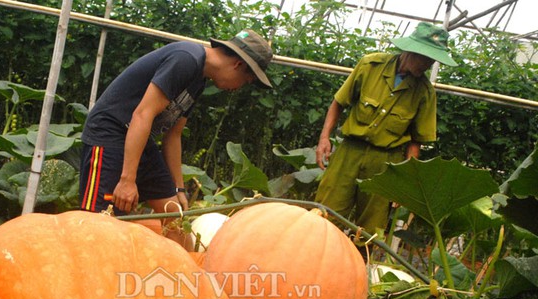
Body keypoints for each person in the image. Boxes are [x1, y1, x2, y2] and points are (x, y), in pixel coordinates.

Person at [79, 29, 273, 244]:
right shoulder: (185, 59)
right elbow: (142, 114)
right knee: (100, 225)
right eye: (245, 81)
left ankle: (177, 274)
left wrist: (178, 188)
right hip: (109, 135)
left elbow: (174, 133)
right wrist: (127, 179)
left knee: (175, 218)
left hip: (139, 140)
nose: (238, 88)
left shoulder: (199, 78)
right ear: (238, 65)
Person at [314, 22, 457, 256]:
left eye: (433, 60)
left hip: (385, 163)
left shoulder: (424, 92)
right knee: (325, 213)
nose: (428, 64)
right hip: (350, 151)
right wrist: (324, 138)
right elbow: (339, 102)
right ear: (411, 51)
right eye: (426, 58)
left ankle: (356, 276)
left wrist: (404, 182)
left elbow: (415, 142)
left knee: (370, 231)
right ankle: (312, 262)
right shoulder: (371, 65)